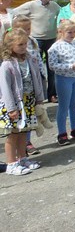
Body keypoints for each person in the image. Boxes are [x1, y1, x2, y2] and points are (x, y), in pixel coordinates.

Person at [0, 28, 46, 175]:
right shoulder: (7, 65)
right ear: (10, 46)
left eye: (25, 44)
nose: (24, 47)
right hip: (14, 104)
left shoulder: (29, 60)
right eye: (20, 44)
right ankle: (11, 163)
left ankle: (22, 158)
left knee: (23, 133)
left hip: (28, 102)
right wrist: (11, 108)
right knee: (13, 134)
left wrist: (39, 98)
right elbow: (5, 88)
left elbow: (36, 79)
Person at [12, 0, 61, 103]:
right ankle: (39, 94)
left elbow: (62, 13)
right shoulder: (31, 5)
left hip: (51, 39)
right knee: (36, 68)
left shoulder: (54, 5)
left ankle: (52, 94)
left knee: (52, 68)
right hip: (36, 39)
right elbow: (14, 12)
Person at [48, 20, 75, 146]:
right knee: (64, 106)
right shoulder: (55, 47)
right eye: (69, 32)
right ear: (61, 32)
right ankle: (62, 133)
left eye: (74, 32)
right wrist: (71, 66)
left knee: (74, 104)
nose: (72, 34)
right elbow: (52, 65)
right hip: (64, 78)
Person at [11, 15, 46, 156]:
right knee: (20, 118)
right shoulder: (12, 44)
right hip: (19, 86)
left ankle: (27, 141)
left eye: (28, 28)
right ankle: (22, 145)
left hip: (34, 80)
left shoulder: (33, 41)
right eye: (23, 29)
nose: (27, 31)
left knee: (31, 114)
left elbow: (38, 59)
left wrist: (42, 75)